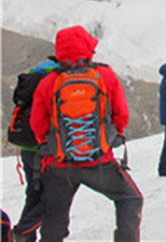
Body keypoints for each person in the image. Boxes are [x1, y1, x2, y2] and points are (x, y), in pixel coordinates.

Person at [30, 25, 143, 241]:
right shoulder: (104, 75)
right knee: (129, 198)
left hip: (60, 165)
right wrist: (113, 136)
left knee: (55, 216)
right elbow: (121, 114)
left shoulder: (48, 82)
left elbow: (38, 124)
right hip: (99, 162)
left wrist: (52, 147)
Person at [10, 58, 58, 242]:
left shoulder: (32, 75)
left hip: (26, 146)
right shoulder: (57, 78)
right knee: (53, 196)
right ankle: (22, 231)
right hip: (45, 147)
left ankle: (25, 237)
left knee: (33, 193)